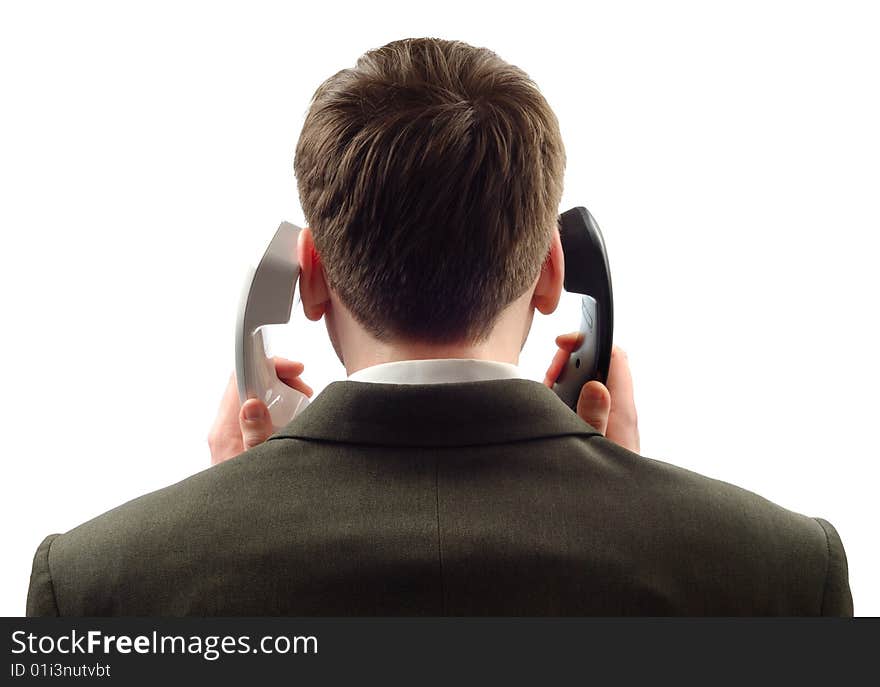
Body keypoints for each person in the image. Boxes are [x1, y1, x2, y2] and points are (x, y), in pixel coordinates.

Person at [27, 38, 852, 616]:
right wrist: (636, 514)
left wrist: (221, 519)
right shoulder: (780, 573)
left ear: (306, 276)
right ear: (554, 274)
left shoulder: (99, 586)